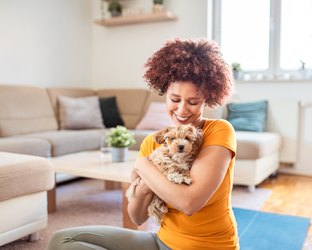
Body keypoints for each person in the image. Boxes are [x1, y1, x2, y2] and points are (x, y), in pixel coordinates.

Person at [47, 38, 238, 250]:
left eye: (193, 102)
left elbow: (189, 203)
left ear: (207, 100)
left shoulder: (219, 131)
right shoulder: (151, 142)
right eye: (175, 99)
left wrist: (143, 166)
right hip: (162, 242)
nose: (182, 110)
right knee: (61, 241)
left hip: (208, 247)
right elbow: (136, 217)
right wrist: (146, 187)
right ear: (164, 92)